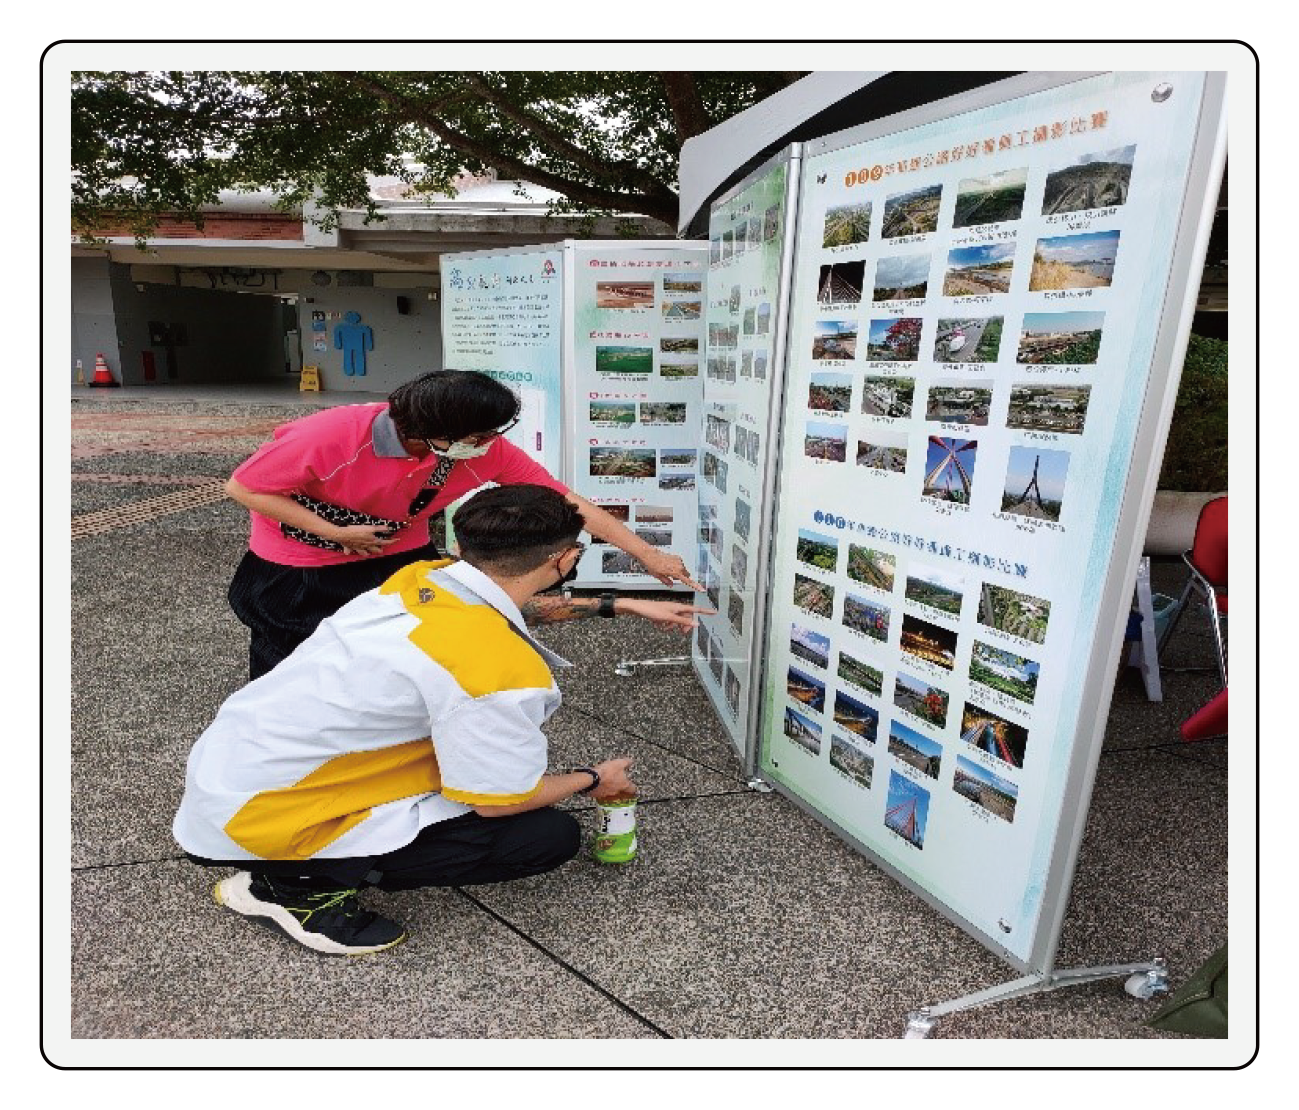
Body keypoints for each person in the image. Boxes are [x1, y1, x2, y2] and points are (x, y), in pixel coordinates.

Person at [173, 484, 712, 956]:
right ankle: (295, 889)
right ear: (565, 559)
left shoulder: (422, 578)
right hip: (260, 821)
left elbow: (505, 603)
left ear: (462, 543)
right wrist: (595, 780)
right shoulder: (495, 669)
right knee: (546, 835)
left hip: (231, 778)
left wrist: (624, 605)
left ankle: (289, 865)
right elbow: (499, 802)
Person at [225, 369, 704, 679]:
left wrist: (648, 555)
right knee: (292, 657)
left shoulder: (482, 450)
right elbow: (244, 488)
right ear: (430, 430)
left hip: (401, 553)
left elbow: (569, 503)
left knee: (409, 644)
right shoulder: (330, 436)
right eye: (480, 434)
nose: (490, 443)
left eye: (494, 432)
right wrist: (335, 533)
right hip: (301, 562)